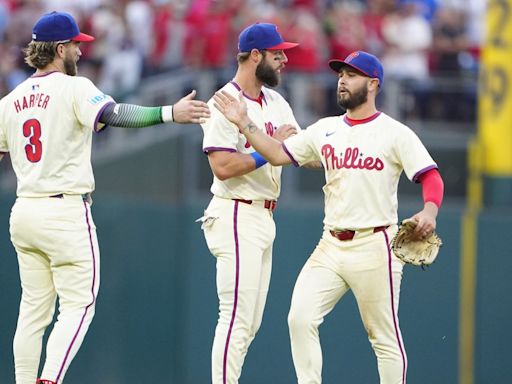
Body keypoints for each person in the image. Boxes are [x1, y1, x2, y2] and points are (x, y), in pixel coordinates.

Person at [0, 11, 210, 384]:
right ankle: (48, 380)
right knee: (79, 304)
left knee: (33, 310)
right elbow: (115, 114)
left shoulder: (10, 100)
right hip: (63, 211)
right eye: (76, 45)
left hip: (24, 211)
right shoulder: (74, 88)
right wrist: (169, 112)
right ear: (59, 48)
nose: (81, 52)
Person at [212, 50, 444, 384]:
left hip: (375, 244)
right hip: (330, 245)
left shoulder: (395, 133)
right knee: (299, 319)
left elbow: (430, 176)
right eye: (340, 75)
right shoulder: (325, 129)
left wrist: (430, 210)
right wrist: (244, 123)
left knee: (384, 339)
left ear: (373, 84)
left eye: (352, 75)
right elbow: (277, 153)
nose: (343, 81)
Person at [198, 22, 301, 384]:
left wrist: (265, 144)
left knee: (250, 323)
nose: (284, 60)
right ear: (255, 56)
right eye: (277, 54)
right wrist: (268, 149)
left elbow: (293, 151)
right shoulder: (224, 101)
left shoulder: (276, 101)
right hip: (236, 212)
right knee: (236, 318)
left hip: (263, 215)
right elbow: (223, 167)